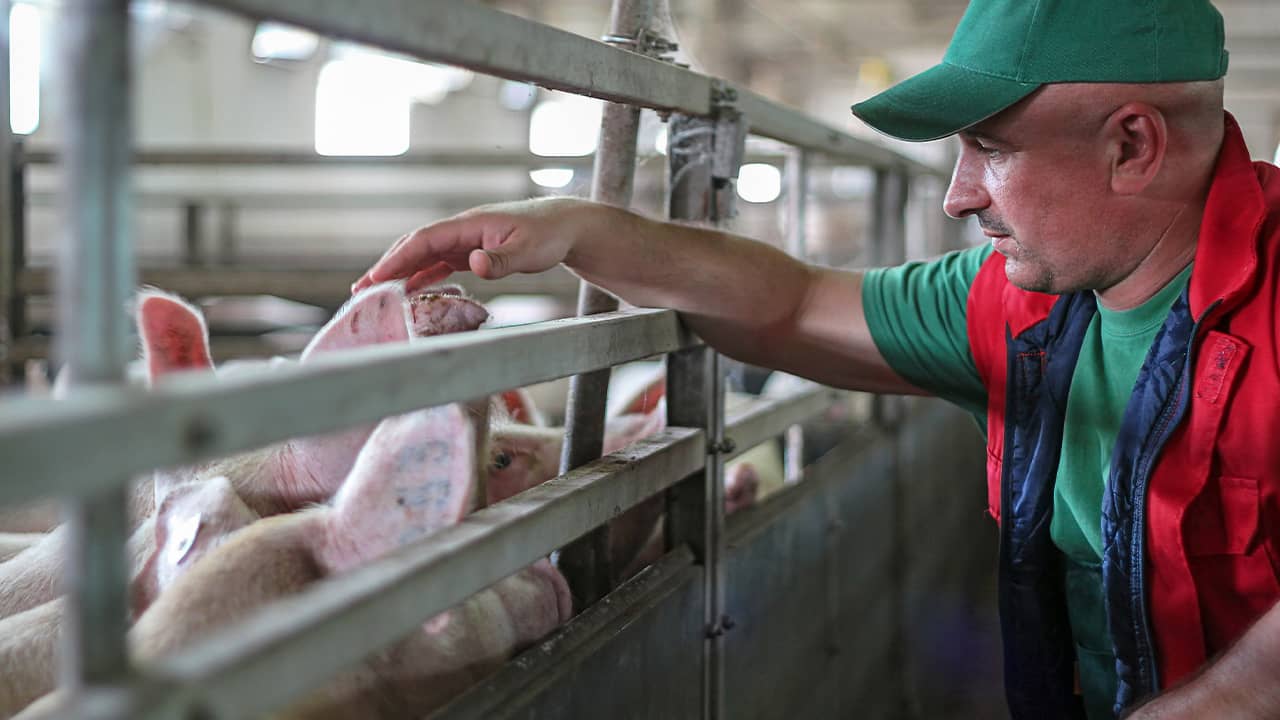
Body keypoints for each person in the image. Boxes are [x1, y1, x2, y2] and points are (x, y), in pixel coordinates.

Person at [353, 0, 1280, 717]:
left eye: (991, 150)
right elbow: (792, 303)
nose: (958, 195)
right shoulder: (1021, 305)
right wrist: (581, 229)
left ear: (1132, 144)